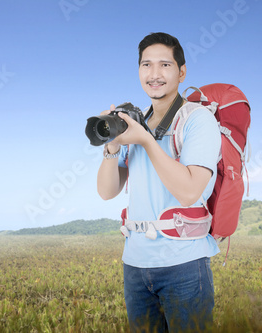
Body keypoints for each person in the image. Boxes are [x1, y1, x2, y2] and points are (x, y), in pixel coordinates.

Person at [96, 32, 221, 332]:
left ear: (181, 72)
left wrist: (146, 141)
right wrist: (112, 146)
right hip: (135, 265)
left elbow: (190, 191)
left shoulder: (197, 119)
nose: (154, 74)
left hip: (185, 264)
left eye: (165, 65)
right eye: (146, 65)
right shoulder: (136, 123)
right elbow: (106, 191)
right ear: (138, 70)